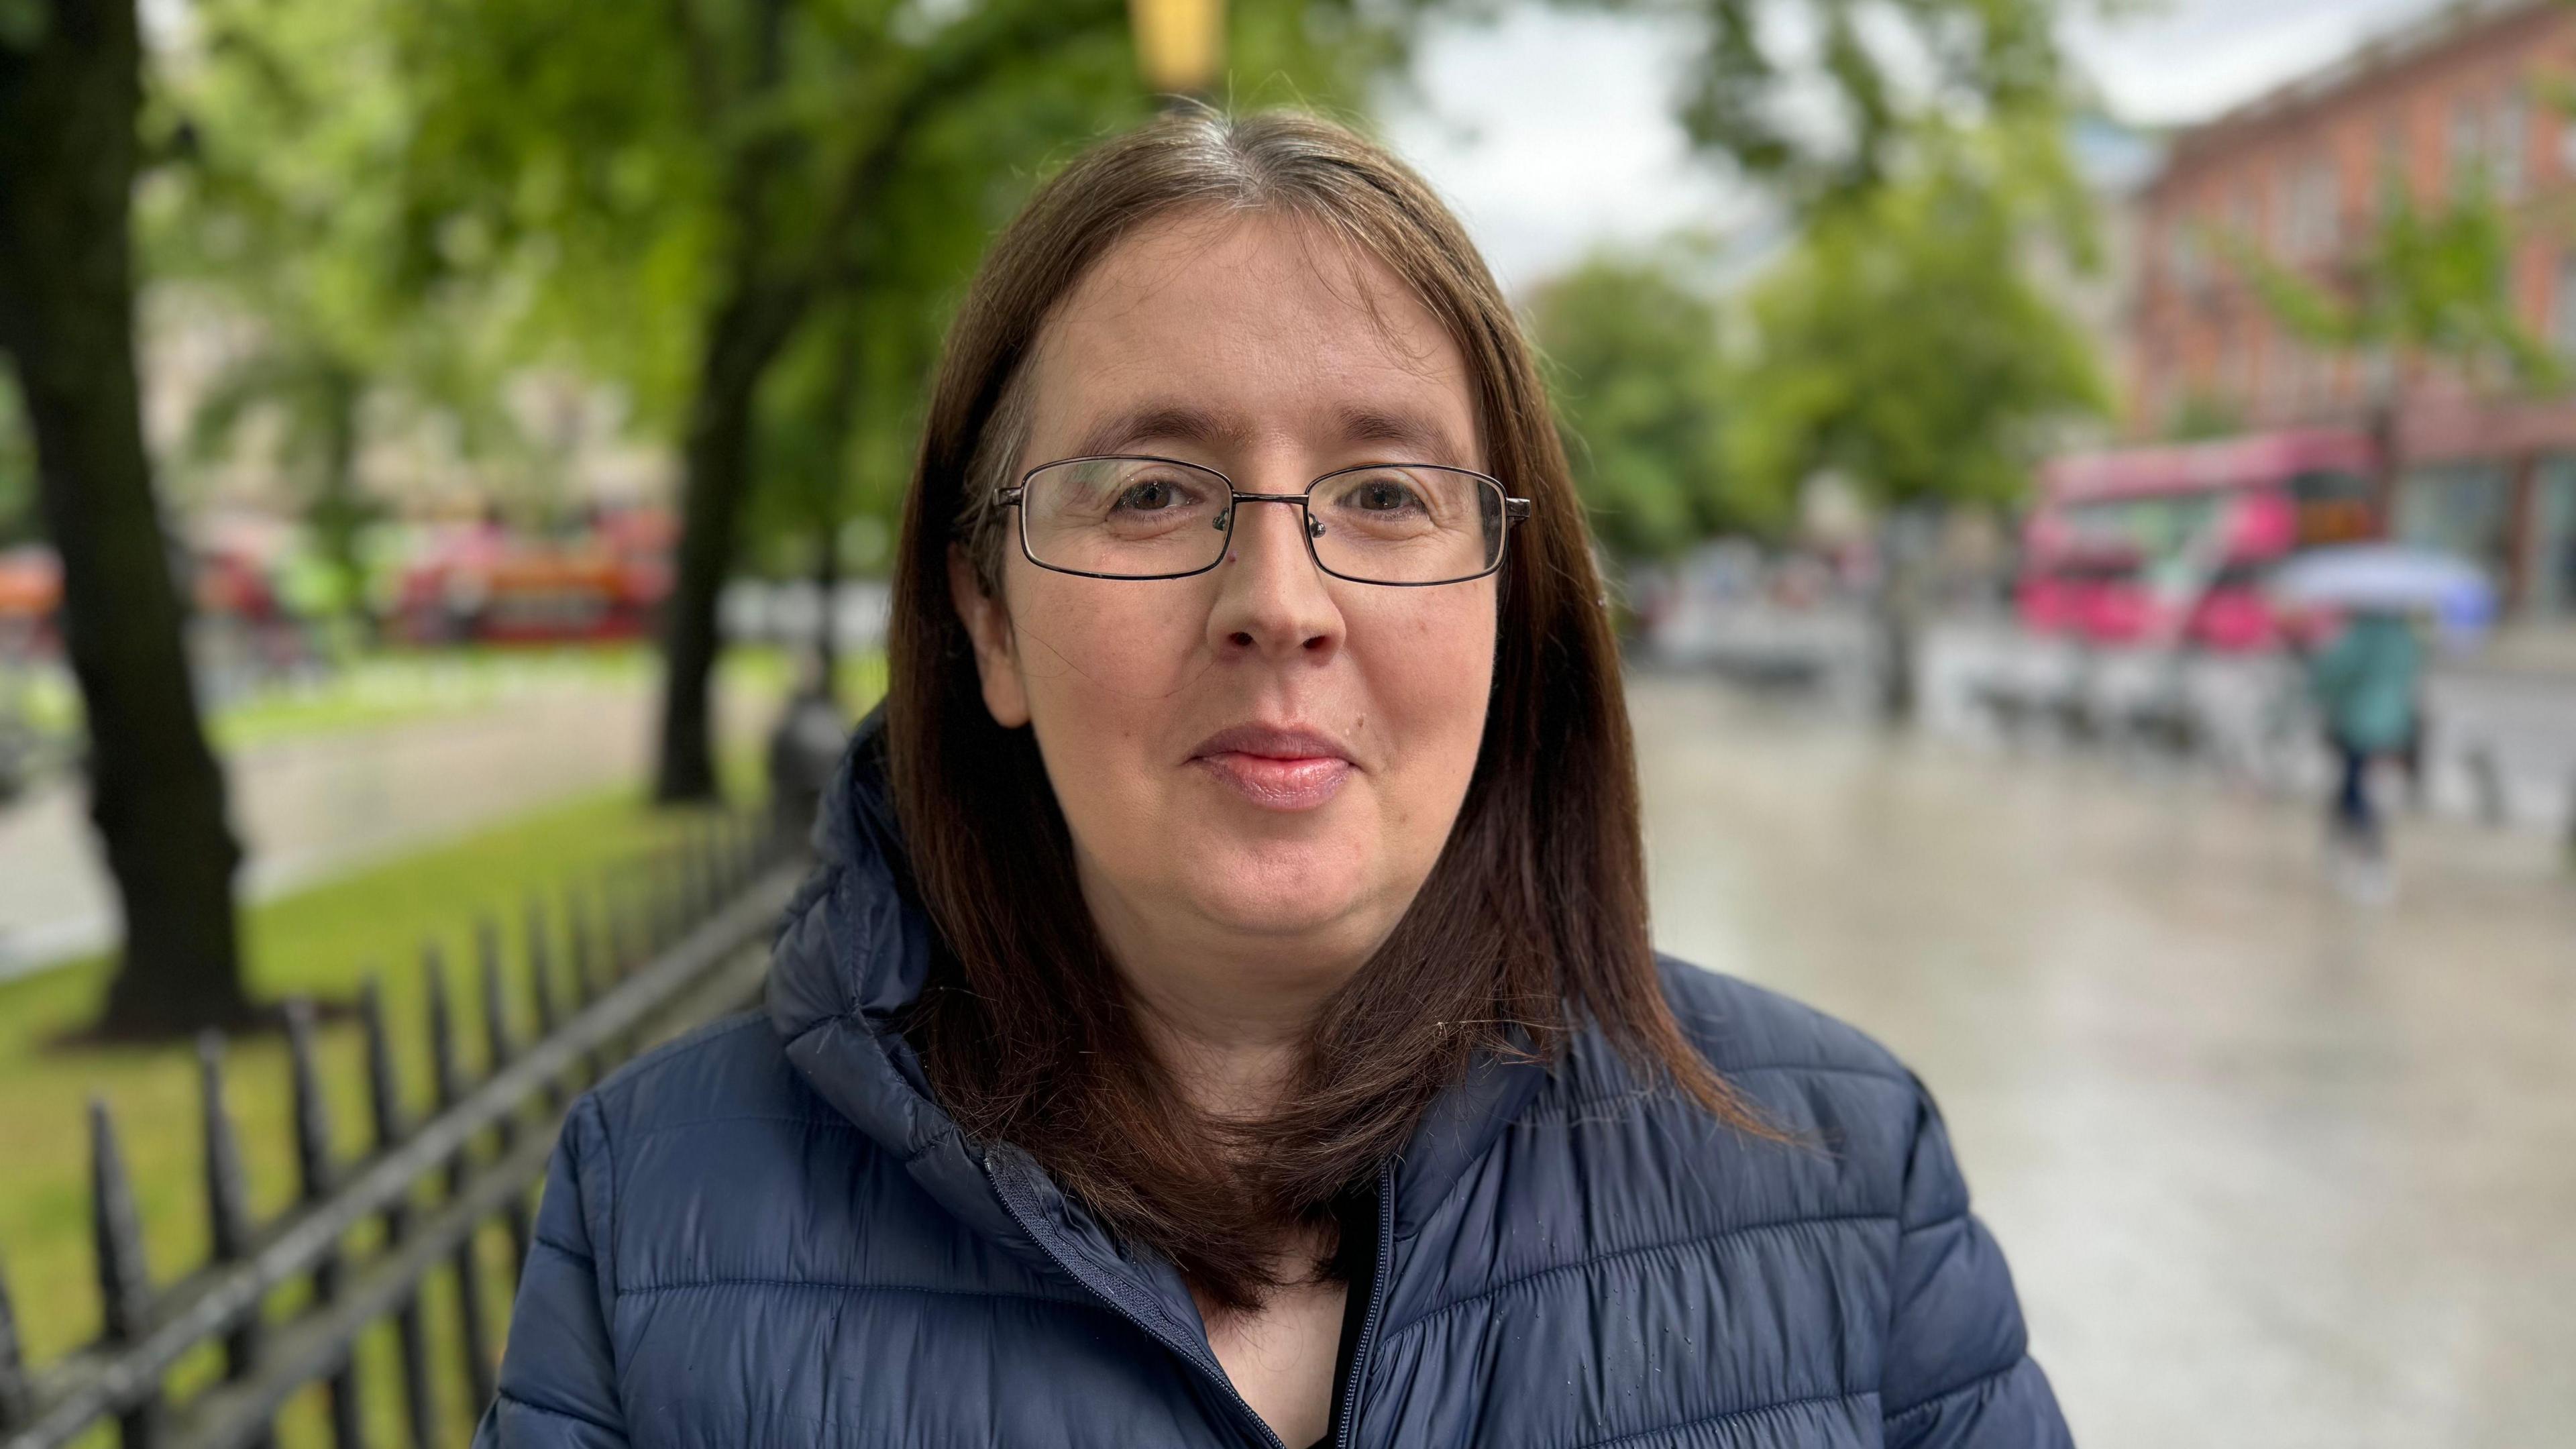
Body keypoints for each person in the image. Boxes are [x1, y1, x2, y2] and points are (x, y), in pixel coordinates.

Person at [477, 107, 2068, 1448]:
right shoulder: (655, 1203)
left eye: (1383, 493)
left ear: (1509, 604)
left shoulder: (1847, 1173)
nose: (1281, 602)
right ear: (990, 623)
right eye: (1152, 493)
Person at [2307, 606, 2424, 860]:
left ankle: (2357, 839)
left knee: (2355, 783)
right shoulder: (2404, 638)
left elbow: (2332, 674)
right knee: (2377, 784)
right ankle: (2370, 840)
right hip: (2395, 724)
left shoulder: (2359, 636)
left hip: (2359, 722)